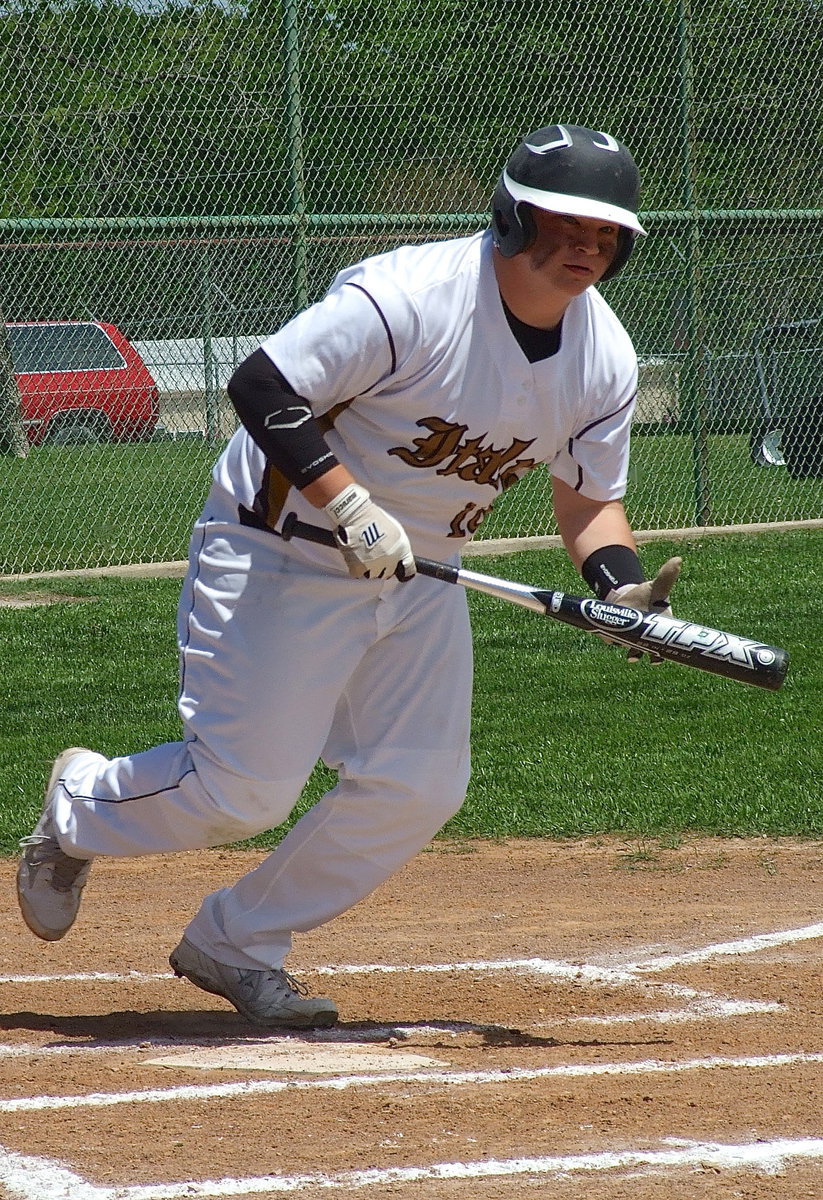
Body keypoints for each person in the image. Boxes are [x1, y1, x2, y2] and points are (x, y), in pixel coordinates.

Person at [16, 123, 680, 1029]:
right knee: (242, 793)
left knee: (420, 783)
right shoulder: (410, 298)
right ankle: (79, 807)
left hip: (424, 569)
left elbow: (589, 501)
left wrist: (619, 590)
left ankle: (237, 942)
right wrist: (350, 504)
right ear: (512, 217)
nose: (586, 247)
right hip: (281, 545)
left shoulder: (603, 356)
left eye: (605, 234)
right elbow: (262, 385)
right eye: (565, 224)